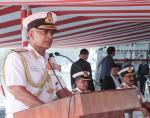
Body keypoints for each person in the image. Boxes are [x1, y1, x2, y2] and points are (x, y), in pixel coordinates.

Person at [2, 11, 72, 117]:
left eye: (52, 33)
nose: (50, 37)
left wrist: (80, 101)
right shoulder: (17, 57)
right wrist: (48, 110)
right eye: (44, 32)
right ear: (31, 34)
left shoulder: (50, 59)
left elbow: (61, 89)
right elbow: (17, 91)